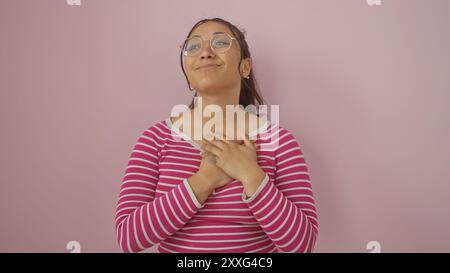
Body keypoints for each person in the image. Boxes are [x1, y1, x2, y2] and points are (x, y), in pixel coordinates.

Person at [114, 17, 318, 253]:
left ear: (245, 66)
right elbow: (128, 238)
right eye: (194, 46)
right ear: (188, 75)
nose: (205, 52)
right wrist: (205, 179)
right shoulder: (154, 139)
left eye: (220, 43)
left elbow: (303, 244)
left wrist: (250, 174)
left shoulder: (280, 141)